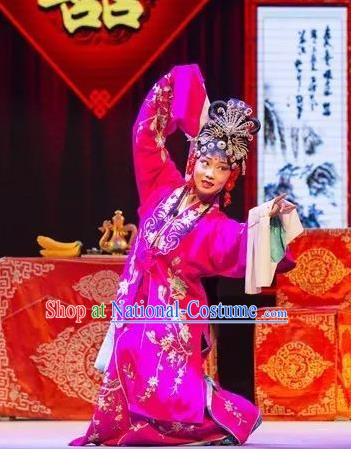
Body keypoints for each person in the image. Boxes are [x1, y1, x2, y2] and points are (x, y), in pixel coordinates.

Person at [69, 65, 298, 447]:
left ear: (232, 177)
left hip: (177, 310)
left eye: (222, 168)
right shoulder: (160, 185)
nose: (211, 173)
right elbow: (145, 134)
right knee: (128, 360)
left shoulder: (217, 226)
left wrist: (271, 221)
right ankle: (131, 427)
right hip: (136, 297)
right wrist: (180, 85)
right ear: (193, 161)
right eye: (206, 163)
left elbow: (246, 246)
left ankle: (228, 418)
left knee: (159, 374)